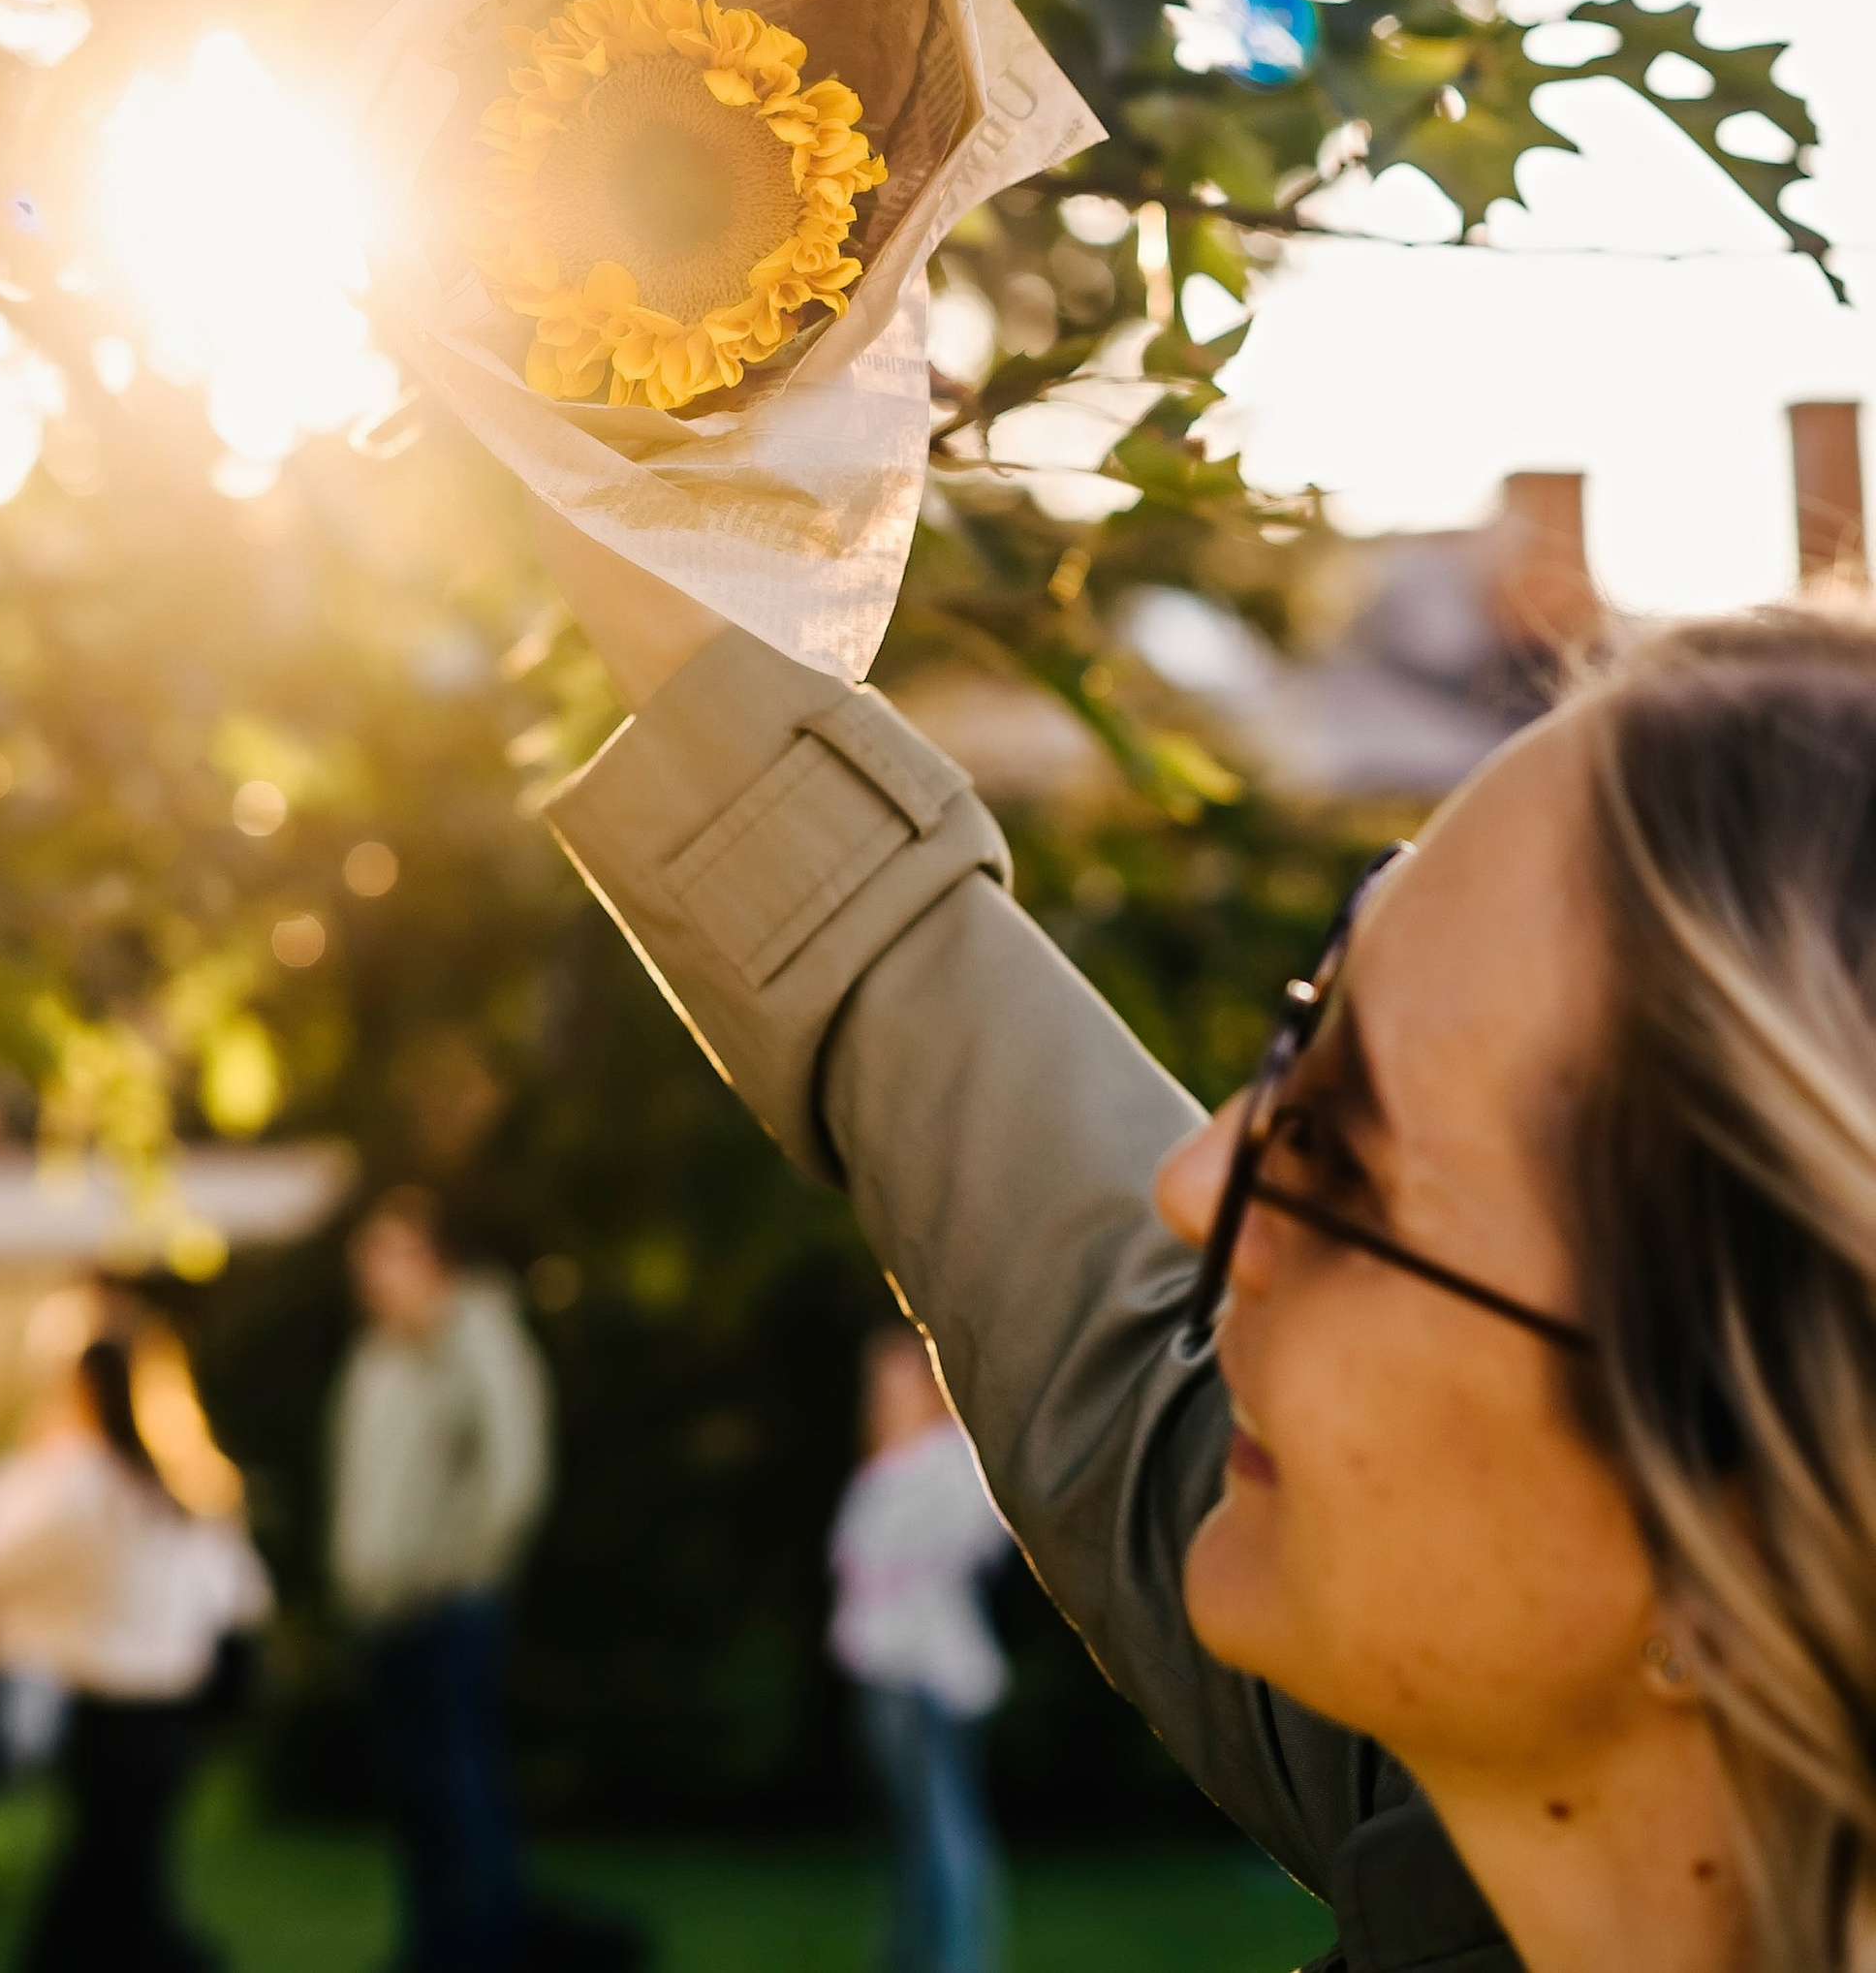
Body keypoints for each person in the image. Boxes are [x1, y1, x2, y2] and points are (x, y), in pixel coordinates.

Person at [526, 504, 1876, 1973]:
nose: (1199, 1178)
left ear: (1746, 1519)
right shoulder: (1518, 1814)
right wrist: (622, 498)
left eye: (1353, 1153)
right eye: (1314, 1029)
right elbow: (1093, 1320)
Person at [0, 1297, 272, 1973]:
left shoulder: (74, 1483)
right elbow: (243, 1594)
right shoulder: (183, 1484)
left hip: (108, 1710)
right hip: (174, 1709)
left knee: (111, 1872)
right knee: (123, 1868)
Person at [329, 1189, 552, 1973]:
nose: (372, 1279)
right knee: (417, 1795)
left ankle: (487, 1945)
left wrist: (461, 1568)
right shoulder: (375, 1358)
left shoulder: (476, 1336)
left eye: (386, 1258)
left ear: (430, 1261)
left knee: (462, 1786)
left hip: (449, 1608)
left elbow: (514, 1473)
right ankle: (434, 1945)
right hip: (384, 1612)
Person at [830, 1328, 1009, 1973]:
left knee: (945, 1828)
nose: (887, 1394)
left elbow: (974, 1545)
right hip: (881, 1671)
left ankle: (961, 1958)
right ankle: (911, 1955)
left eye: (899, 1379)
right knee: (909, 1836)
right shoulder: (883, 1465)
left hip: (931, 1674)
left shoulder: (949, 1459)